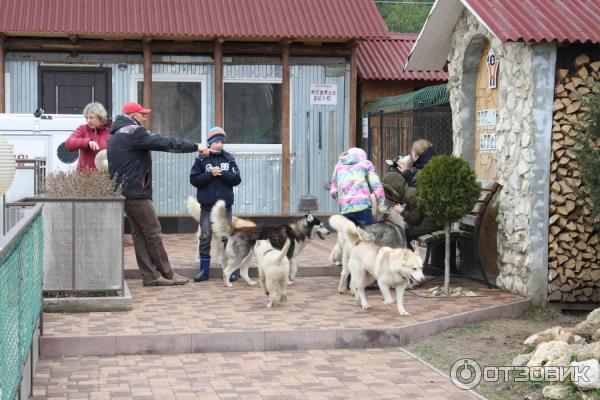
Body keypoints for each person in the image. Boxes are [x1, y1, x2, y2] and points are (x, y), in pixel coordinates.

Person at [107, 101, 209, 287]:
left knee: (140, 233)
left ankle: (150, 275)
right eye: (141, 114)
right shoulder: (134, 131)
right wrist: (195, 146)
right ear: (132, 115)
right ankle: (168, 274)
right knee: (153, 231)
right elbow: (164, 142)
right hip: (136, 192)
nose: (145, 117)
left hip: (124, 192)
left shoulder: (115, 134)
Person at [189, 127, 241, 282]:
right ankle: (204, 271)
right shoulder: (201, 159)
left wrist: (223, 174)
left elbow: (237, 179)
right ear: (210, 143)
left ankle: (230, 270)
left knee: (227, 237)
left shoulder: (229, 158)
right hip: (207, 207)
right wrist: (210, 174)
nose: (219, 145)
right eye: (216, 142)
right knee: (205, 237)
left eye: (221, 142)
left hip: (225, 208)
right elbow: (194, 180)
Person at [329, 147, 386, 225]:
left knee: (349, 236)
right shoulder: (366, 163)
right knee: (365, 235)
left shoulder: (338, 166)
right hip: (363, 207)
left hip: (345, 209)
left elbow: (333, 192)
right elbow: (377, 186)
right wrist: (382, 207)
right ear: (363, 156)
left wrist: (343, 199)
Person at [65, 102, 111, 171]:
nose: (88, 121)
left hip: (106, 176)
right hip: (85, 178)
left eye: (91, 118)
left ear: (101, 117)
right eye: (86, 118)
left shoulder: (112, 130)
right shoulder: (83, 129)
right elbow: (68, 143)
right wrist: (87, 142)